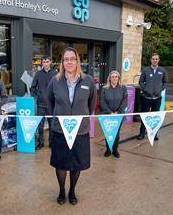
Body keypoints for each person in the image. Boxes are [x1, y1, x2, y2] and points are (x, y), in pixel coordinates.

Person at [47, 47, 97, 205]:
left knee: (77, 164)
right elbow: (49, 102)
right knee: (61, 163)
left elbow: (92, 103)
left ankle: (72, 190)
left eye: (72, 59)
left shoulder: (88, 80)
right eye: (66, 59)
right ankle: (62, 190)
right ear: (62, 62)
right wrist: (57, 117)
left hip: (80, 130)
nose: (69, 62)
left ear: (77, 61)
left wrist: (81, 118)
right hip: (60, 130)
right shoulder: (55, 80)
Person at [137, 53, 168, 140]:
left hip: (157, 98)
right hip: (146, 98)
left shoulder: (162, 70)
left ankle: (154, 134)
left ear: (158, 60)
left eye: (156, 59)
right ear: (150, 60)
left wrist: (160, 89)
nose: (155, 60)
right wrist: (145, 89)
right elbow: (141, 82)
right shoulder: (145, 70)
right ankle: (142, 133)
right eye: (153, 59)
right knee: (144, 117)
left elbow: (165, 82)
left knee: (155, 118)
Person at [31, 56, 57, 149]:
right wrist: (38, 95)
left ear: (50, 62)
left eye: (47, 61)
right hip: (40, 104)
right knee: (40, 125)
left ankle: (51, 142)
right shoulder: (38, 74)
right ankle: (41, 143)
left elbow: (58, 87)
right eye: (44, 62)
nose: (45, 64)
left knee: (52, 125)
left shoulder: (55, 73)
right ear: (42, 63)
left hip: (51, 104)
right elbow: (33, 87)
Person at [100, 70, 128, 158]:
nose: (114, 78)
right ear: (110, 78)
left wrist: (118, 112)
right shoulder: (105, 88)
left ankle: (115, 150)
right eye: (112, 77)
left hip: (118, 115)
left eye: (116, 77)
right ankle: (108, 149)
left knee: (116, 133)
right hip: (107, 115)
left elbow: (125, 101)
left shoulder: (123, 88)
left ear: (118, 78)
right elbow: (102, 102)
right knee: (108, 132)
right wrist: (110, 112)